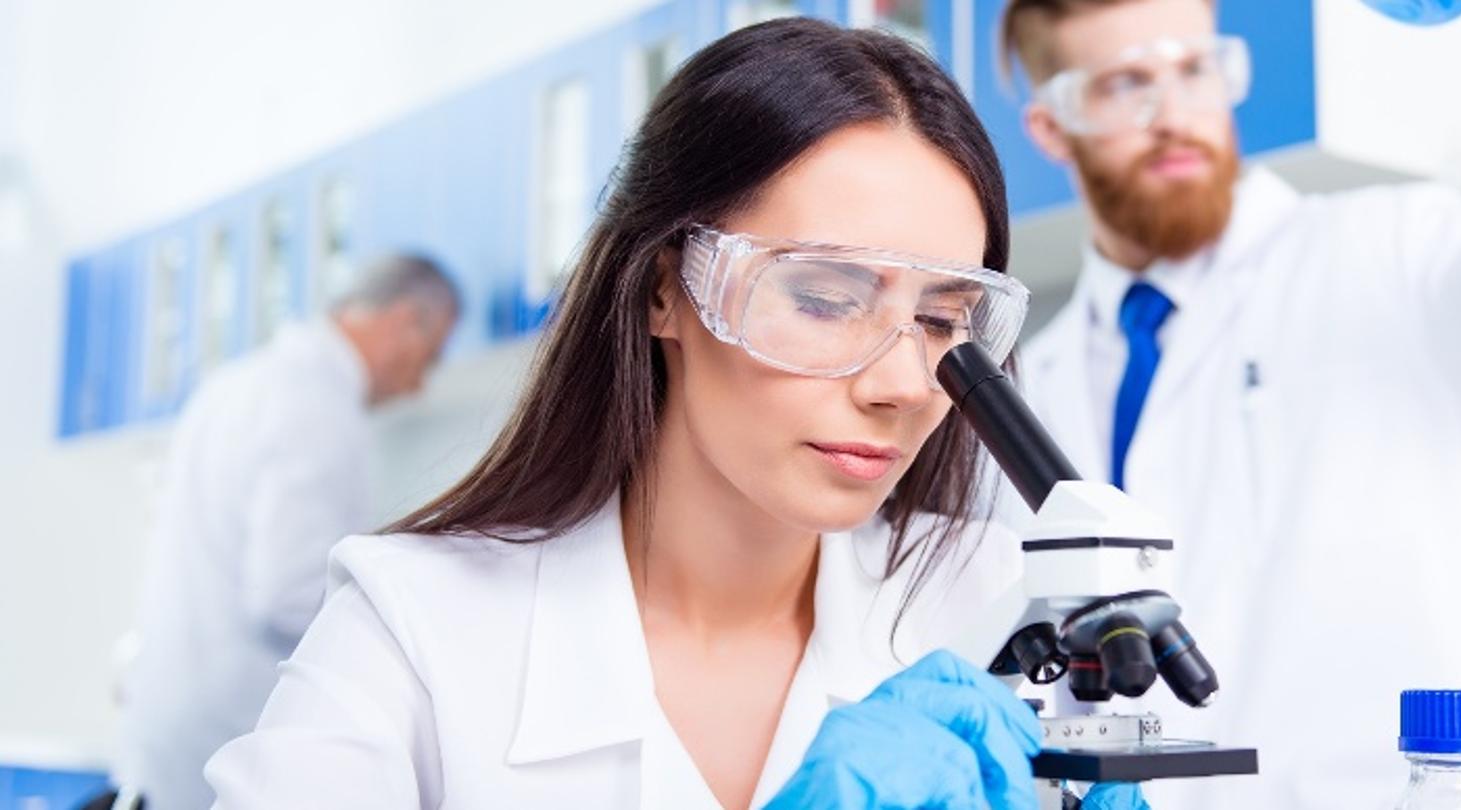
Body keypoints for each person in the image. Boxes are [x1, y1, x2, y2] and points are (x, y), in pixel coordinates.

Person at [201, 18, 1145, 810]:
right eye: (822, 299)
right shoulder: (418, 627)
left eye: (942, 320)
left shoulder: (992, 602)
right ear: (667, 290)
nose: (901, 384)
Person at [995, 0, 1461, 805]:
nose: (1175, 116)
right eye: (1124, 85)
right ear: (1052, 129)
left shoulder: (1396, 254)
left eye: (1194, 70)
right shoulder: (1027, 389)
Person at [114, 253, 459, 810]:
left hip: (168, 741)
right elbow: (289, 592)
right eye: (433, 355)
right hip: (229, 739)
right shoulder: (316, 406)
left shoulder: (235, 384)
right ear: (404, 321)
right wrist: (413, 630)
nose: (420, 384)